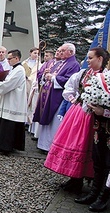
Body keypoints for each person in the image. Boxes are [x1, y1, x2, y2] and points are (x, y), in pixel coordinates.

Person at [45, 47, 109, 194]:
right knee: (73, 144)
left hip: (94, 117)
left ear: (100, 59)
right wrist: (74, 100)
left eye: (91, 58)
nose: (88, 60)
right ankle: (74, 179)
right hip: (78, 114)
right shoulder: (83, 73)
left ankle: (86, 181)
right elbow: (69, 88)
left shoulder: (106, 77)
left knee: (85, 147)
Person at [33, 43, 80, 152]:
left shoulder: (74, 64)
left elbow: (70, 81)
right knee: (47, 121)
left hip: (58, 98)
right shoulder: (59, 63)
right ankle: (43, 144)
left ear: (71, 52)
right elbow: (48, 76)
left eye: (63, 51)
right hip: (50, 94)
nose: (60, 53)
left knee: (54, 123)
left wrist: (54, 78)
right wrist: (46, 76)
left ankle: (51, 147)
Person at [0, 49, 28, 154]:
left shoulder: (19, 70)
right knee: (4, 123)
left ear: (16, 58)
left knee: (9, 124)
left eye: (10, 58)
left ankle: (5, 147)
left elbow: (8, 84)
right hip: (9, 99)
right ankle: (2, 145)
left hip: (13, 102)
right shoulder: (14, 69)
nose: (8, 61)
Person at [22, 47, 41, 138]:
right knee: (24, 102)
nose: (36, 55)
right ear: (30, 53)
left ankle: (29, 122)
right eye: (34, 53)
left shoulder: (39, 64)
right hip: (25, 84)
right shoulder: (25, 63)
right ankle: (23, 120)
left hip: (33, 86)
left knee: (31, 103)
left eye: (37, 53)